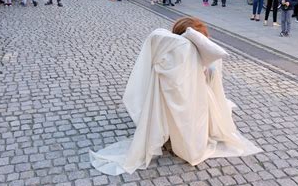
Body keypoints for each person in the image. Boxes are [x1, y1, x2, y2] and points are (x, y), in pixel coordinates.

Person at [89, 17, 262, 175]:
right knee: (211, 89)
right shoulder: (189, 56)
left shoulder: (168, 50)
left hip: (166, 99)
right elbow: (206, 83)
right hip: (190, 103)